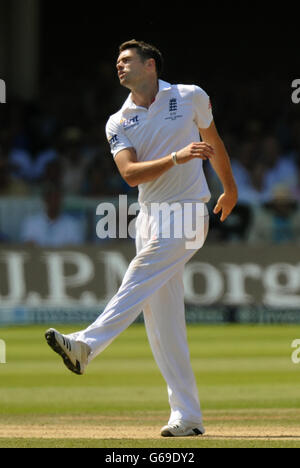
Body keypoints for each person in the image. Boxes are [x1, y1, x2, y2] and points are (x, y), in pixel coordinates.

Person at [45, 40, 238, 437]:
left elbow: (213, 140)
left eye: (127, 60)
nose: (119, 65)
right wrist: (176, 158)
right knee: (163, 325)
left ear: (150, 65)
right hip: (149, 216)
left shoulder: (189, 95)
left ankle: (86, 345)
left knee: (139, 273)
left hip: (187, 210)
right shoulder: (118, 121)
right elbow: (130, 175)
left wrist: (230, 189)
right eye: (117, 61)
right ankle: (187, 416)